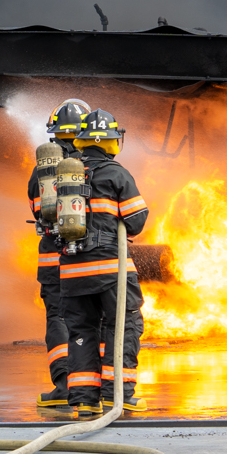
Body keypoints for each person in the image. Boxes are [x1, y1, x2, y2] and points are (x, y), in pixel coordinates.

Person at [58, 109, 149, 415]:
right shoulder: (116, 173)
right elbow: (137, 221)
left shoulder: (64, 174)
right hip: (110, 268)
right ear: (112, 140)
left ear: (82, 141)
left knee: (81, 332)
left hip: (71, 270)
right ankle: (117, 395)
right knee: (123, 326)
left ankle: (84, 400)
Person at [26, 99, 92, 407]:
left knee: (58, 318)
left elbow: (37, 208)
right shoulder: (94, 166)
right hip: (86, 260)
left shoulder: (42, 173)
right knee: (91, 322)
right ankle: (92, 389)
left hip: (53, 260)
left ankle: (64, 385)